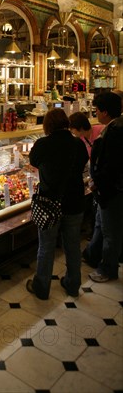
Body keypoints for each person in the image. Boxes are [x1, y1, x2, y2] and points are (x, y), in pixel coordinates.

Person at [26, 108, 89, 299]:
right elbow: (83, 162)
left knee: (46, 245)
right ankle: (72, 284)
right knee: (72, 245)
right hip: (75, 201)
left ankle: (42, 286)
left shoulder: (43, 143)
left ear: (47, 125)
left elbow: (33, 161)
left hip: (49, 202)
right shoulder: (78, 144)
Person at [82, 91, 123, 282]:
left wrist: (97, 182)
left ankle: (108, 270)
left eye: (97, 110)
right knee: (103, 225)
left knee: (110, 232)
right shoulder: (116, 126)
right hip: (111, 189)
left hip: (112, 191)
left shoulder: (115, 132)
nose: (95, 113)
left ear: (105, 112)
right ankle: (93, 255)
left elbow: (111, 165)